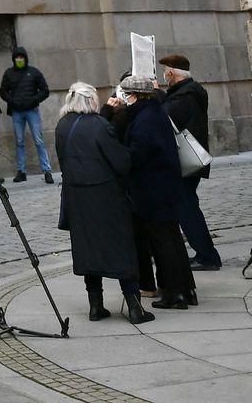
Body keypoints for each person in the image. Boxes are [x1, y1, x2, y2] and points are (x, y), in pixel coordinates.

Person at [54, 82, 153, 324]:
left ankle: (95, 307)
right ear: (91, 101)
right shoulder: (99, 126)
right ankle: (135, 307)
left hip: (76, 197)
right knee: (121, 248)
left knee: (88, 249)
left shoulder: (62, 126)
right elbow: (120, 162)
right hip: (105, 196)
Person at [110, 74, 196, 310]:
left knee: (164, 244)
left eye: (126, 94)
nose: (124, 99)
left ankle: (174, 293)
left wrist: (120, 155)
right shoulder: (152, 112)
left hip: (154, 191)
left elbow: (137, 155)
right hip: (162, 188)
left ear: (134, 95)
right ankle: (184, 290)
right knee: (171, 240)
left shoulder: (145, 118)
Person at [159, 54, 220, 270]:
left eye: (165, 71)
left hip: (186, 162)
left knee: (187, 208)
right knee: (187, 206)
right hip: (189, 160)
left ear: (172, 73)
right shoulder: (189, 92)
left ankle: (207, 256)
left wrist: (156, 94)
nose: (164, 75)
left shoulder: (184, 96)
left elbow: (165, 117)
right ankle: (205, 253)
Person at [0, 47, 52, 183]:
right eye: (17, 57)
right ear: (14, 59)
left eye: (21, 57)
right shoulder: (9, 73)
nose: (19, 60)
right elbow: (3, 91)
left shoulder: (34, 72)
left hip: (32, 110)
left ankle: (47, 170)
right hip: (17, 111)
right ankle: (21, 171)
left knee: (39, 140)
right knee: (19, 141)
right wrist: (12, 101)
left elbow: (45, 90)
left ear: (25, 58)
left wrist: (34, 100)